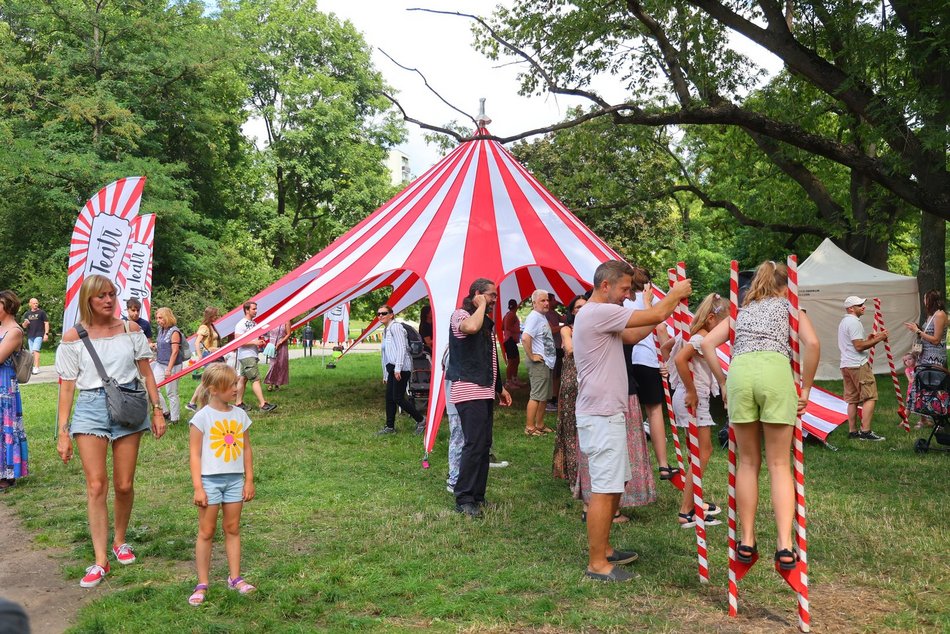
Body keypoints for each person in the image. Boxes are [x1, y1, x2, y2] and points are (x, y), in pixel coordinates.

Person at [573, 260, 691, 582]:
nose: (628, 296)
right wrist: (675, 296)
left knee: (614, 486)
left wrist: (656, 310)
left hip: (604, 413)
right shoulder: (598, 312)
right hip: (600, 414)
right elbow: (651, 318)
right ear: (606, 285)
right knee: (605, 489)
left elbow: (634, 334)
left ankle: (606, 549)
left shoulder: (598, 317)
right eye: (625, 289)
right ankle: (598, 564)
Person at [702, 260, 819, 572]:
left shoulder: (740, 312)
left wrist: (723, 382)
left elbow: (706, 343)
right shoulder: (792, 309)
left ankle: (747, 539)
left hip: (741, 374)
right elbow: (813, 344)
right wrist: (805, 389)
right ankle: (783, 544)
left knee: (748, 462)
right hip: (775, 372)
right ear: (785, 286)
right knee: (780, 464)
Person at [55, 274, 167, 588]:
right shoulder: (73, 338)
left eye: (111, 294)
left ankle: (120, 540)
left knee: (124, 484)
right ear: (88, 300)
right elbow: (66, 389)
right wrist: (63, 431)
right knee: (96, 485)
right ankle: (100, 558)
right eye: (101, 296)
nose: (108, 300)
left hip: (128, 406)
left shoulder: (132, 331)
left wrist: (158, 410)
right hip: (90, 408)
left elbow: (147, 374)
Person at [187, 363, 256, 605]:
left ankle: (235, 578)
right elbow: (194, 454)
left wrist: (248, 480)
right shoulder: (201, 418)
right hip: (209, 482)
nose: (237, 389)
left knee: (233, 528)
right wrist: (198, 486)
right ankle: (202, 582)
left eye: (237, 384)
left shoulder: (240, 415)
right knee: (206, 532)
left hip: (235, 480)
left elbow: (247, 449)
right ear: (214, 389)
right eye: (232, 386)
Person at [446, 278, 512, 517]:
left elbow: (489, 357)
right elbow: (470, 328)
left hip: (484, 390)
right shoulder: (460, 315)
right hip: (468, 389)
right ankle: (463, 497)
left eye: (494, 296)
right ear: (477, 294)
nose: (495, 300)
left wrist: (499, 387)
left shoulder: (484, 320)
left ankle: (478, 496)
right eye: (490, 295)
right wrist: (481, 305)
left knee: (484, 445)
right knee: (473, 444)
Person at [669, 293, 728, 528]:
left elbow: (667, 349)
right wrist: (691, 389)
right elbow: (680, 359)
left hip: (685, 396)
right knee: (704, 451)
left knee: (696, 453)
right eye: (724, 326)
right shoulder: (698, 339)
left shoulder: (690, 336)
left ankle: (694, 502)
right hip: (693, 398)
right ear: (711, 319)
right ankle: (686, 511)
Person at [629, 275, 678, 482]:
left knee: (629, 411)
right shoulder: (652, 301)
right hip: (648, 358)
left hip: (627, 358)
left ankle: (631, 466)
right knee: (655, 411)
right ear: (647, 284)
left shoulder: (622, 300)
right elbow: (660, 328)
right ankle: (663, 465)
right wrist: (667, 361)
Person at [838, 296, 887, 441]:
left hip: (846, 364)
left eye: (863, 304)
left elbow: (855, 343)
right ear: (851, 308)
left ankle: (853, 432)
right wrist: (879, 338)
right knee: (870, 396)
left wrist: (871, 339)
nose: (863, 307)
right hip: (858, 364)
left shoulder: (844, 321)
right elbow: (858, 346)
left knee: (852, 399)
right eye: (860, 305)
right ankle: (865, 432)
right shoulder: (854, 322)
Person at [552, 294, 586, 485]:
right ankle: (573, 474)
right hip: (572, 380)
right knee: (571, 424)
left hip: (590, 379)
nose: (582, 310)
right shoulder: (567, 329)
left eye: (585, 306)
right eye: (578, 307)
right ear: (572, 311)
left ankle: (586, 473)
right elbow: (571, 350)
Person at [376, 305, 425, 435]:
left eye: (384, 313)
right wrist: (386, 374)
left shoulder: (396, 327)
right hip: (393, 367)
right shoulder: (386, 330)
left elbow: (402, 348)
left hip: (402, 367)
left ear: (391, 315)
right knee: (390, 398)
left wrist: (398, 368)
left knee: (398, 398)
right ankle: (390, 427)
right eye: (379, 314)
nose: (380, 316)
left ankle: (421, 420)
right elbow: (386, 354)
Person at [905, 290, 948, 428]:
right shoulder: (930, 316)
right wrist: (918, 330)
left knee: (934, 388)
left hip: (934, 358)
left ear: (930, 300)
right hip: (924, 356)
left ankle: (939, 418)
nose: (924, 301)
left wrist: (918, 331)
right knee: (921, 388)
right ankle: (924, 419)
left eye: (925, 298)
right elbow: (926, 335)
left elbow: (936, 340)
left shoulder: (940, 314)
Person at [0, 291, 28, 491]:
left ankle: (7, 474)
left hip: (4, 383)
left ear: (7, 307)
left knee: (6, 426)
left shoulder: (14, 331)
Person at [522, 289, 556, 436]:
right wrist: (532, 356)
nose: (546, 303)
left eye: (547, 300)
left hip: (546, 362)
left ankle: (540, 424)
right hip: (539, 363)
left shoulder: (541, 317)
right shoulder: (535, 317)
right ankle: (530, 428)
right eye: (542, 301)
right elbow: (525, 337)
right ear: (534, 303)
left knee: (543, 397)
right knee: (536, 396)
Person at [233, 302, 276, 413]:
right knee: (256, 379)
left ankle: (238, 403)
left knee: (243, 379)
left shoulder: (254, 323)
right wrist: (255, 342)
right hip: (247, 355)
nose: (256, 311)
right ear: (247, 310)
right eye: (254, 309)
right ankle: (263, 404)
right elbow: (238, 341)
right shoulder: (241, 324)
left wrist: (260, 342)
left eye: (256, 309)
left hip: (252, 354)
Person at [151, 307, 184, 424]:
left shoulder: (174, 331)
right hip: (160, 363)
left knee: (171, 392)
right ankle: (165, 411)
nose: (158, 320)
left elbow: (175, 351)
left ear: (166, 317)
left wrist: (169, 370)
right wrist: (154, 346)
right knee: (154, 388)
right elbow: (163, 344)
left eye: (160, 318)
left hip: (172, 365)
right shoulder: (161, 329)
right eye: (157, 318)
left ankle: (175, 419)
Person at [186, 307, 222, 412]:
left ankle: (196, 403)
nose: (217, 317)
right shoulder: (204, 327)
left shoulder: (212, 326)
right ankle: (194, 403)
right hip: (209, 356)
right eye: (215, 315)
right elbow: (197, 342)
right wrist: (200, 356)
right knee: (207, 381)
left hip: (215, 355)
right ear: (210, 316)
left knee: (210, 381)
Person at [546, 293, 564, 412]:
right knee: (553, 375)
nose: (556, 302)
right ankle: (551, 399)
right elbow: (551, 330)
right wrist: (566, 327)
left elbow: (563, 319)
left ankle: (555, 398)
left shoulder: (553, 313)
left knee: (557, 374)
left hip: (557, 347)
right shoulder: (546, 314)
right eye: (554, 300)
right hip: (552, 348)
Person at [20, 297, 48, 375]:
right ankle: (31, 368)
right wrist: (25, 324)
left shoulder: (41, 312)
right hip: (30, 335)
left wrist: (46, 334)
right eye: (34, 303)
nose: (35, 304)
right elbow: (24, 326)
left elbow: (46, 323)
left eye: (37, 303)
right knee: (31, 353)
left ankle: (36, 368)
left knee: (36, 351)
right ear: (30, 304)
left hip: (39, 334)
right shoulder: (27, 314)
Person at [264, 321, 290, 391]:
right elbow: (266, 333)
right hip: (272, 345)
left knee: (280, 364)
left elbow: (288, 334)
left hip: (282, 345)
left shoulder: (287, 321)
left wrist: (280, 342)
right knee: (273, 364)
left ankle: (277, 384)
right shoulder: (273, 320)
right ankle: (270, 383)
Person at [502, 299, 523, 389]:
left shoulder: (508, 314)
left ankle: (514, 379)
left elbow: (503, 327)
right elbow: (507, 327)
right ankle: (508, 382)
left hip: (510, 340)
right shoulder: (512, 315)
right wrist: (519, 331)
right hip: (509, 340)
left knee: (516, 360)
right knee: (511, 362)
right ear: (516, 306)